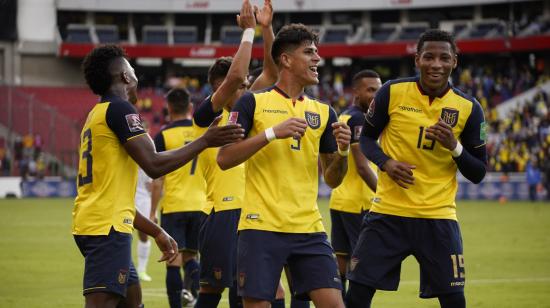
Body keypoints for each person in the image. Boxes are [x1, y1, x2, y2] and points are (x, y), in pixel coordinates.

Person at [72, 44, 244, 308]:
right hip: (106, 229)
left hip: (100, 222)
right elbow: (153, 164)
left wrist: (157, 231)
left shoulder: (96, 114)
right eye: (131, 67)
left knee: (133, 300)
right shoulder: (120, 109)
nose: (135, 73)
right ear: (125, 76)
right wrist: (205, 141)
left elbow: (114, 196)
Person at [346, 29, 488, 308]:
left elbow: (478, 172)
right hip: (388, 213)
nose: (436, 64)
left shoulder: (469, 108)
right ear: (417, 60)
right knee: (357, 295)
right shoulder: (392, 92)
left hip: (438, 216)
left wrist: (454, 146)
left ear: (454, 62)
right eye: (429, 57)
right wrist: (386, 163)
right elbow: (366, 139)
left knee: (453, 300)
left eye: (444, 58)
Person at [217, 23, 350, 308]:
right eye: (309, 53)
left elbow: (334, 179)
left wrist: (344, 150)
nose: (317, 59)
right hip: (260, 226)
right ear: (286, 60)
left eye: (317, 53)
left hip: (309, 227)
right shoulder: (252, 102)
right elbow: (224, 158)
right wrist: (271, 133)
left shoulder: (324, 112)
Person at [193, 1, 281, 307]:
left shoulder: (252, 109)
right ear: (218, 88)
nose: (245, 87)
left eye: (247, 84)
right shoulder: (206, 114)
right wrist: (248, 31)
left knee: (260, 290)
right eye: (240, 83)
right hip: (223, 212)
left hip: (258, 210)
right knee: (212, 290)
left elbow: (272, 70)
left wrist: (267, 28)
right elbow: (234, 77)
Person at [150, 88, 207, 307]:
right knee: (192, 257)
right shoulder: (202, 132)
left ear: (169, 108)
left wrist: (153, 211)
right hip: (200, 204)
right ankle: (193, 298)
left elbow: (158, 179)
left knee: (173, 261)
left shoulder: (163, 135)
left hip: (174, 206)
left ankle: (177, 304)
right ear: (190, 108)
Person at [328, 69, 381, 298]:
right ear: (356, 91)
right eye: (370, 90)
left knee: (341, 261)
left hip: (340, 200)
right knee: (362, 267)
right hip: (359, 203)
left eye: (379, 91)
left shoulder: (344, 116)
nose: (375, 96)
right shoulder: (360, 119)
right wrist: (385, 194)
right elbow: (361, 165)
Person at [135, 167, 153, 282]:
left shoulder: (144, 153)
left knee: (144, 235)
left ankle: (141, 270)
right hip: (125, 196)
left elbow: (150, 184)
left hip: (143, 199)